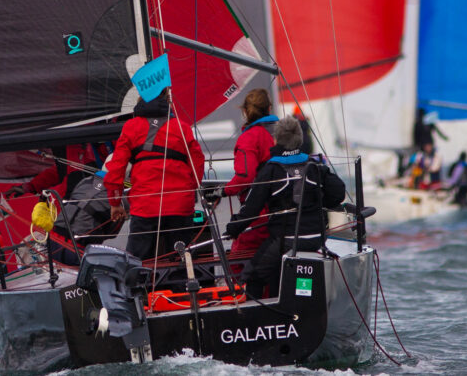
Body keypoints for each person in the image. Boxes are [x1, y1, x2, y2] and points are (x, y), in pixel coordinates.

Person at [224, 116, 345, 298]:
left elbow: (251, 210)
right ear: (300, 139)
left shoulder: (270, 170)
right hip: (316, 238)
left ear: (276, 140)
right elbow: (338, 193)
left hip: (286, 241)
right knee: (273, 269)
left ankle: (260, 318)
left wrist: (232, 229)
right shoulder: (316, 165)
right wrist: (320, 203)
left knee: (253, 276)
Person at [104, 88, 204, 261]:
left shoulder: (131, 127)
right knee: (182, 259)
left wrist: (115, 202)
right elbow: (198, 162)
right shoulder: (182, 127)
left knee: (137, 262)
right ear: (167, 99)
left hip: (145, 205)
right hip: (179, 204)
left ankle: (140, 287)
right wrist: (190, 189)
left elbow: (116, 168)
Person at [218, 88, 278, 254]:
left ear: (245, 111)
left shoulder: (250, 137)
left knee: (237, 262)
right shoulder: (283, 131)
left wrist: (222, 191)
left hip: (260, 213)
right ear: (269, 108)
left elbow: (245, 176)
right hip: (285, 212)